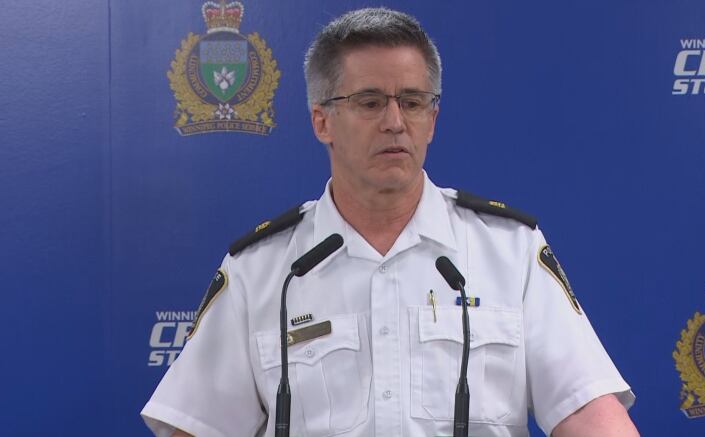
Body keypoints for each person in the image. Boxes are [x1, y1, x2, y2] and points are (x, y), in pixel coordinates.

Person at [142, 7, 639, 437]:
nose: (395, 122)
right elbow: (195, 425)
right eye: (370, 102)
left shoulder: (509, 251)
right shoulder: (264, 271)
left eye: (413, 101)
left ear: (433, 118)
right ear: (322, 121)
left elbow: (589, 411)